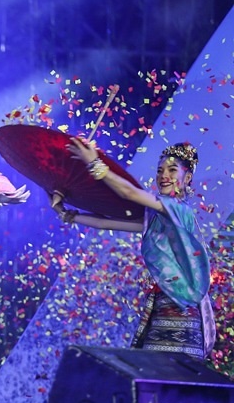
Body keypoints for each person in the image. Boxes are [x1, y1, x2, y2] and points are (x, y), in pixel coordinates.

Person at [51, 139, 215, 360]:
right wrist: (68, 215)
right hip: (164, 308)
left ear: (187, 179)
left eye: (172, 170)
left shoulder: (179, 209)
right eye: (160, 170)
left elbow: (128, 193)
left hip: (181, 314)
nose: (163, 175)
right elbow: (105, 223)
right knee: (150, 372)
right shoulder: (157, 216)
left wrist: (94, 163)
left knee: (164, 374)